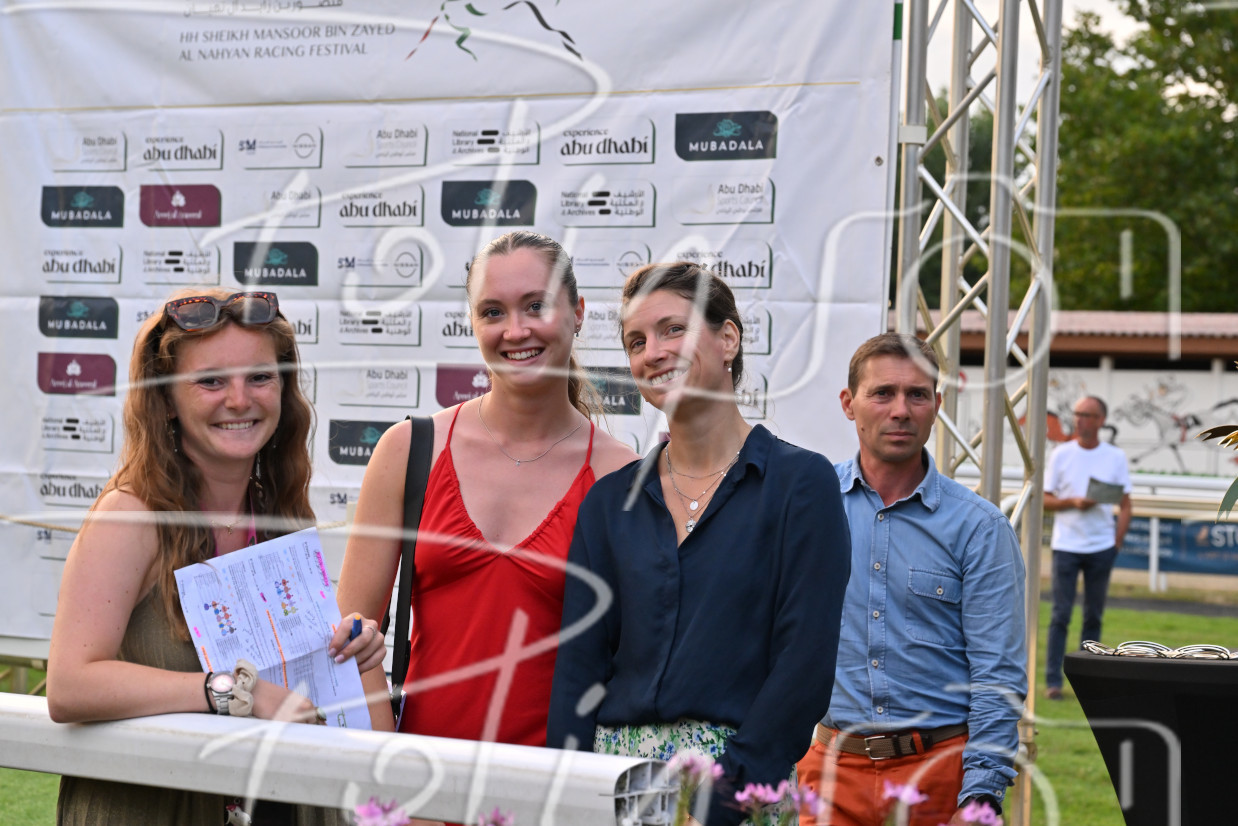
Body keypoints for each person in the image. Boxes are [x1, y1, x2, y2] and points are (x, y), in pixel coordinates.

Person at [47, 288, 384, 826]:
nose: (239, 400)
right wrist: (232, 691)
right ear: (166, 400)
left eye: (260, 377)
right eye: (210, 381)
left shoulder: (279, 513)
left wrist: (346, 650)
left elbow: (297, 693)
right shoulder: (131, 516)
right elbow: (70, 686)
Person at [547, 262, 851, 826]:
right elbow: (577, 672)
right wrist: (569, 795)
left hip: (742, 785)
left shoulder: (799, 484)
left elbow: (803, 667)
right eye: (637, 341)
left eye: (673, 329)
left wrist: (721, 800)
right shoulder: (609, 502)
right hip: (612, 784)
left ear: (727, 338)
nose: (654, 352)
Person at [333, 230, 636, 747]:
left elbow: (632, 667)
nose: (516, 330)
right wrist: (391, 770)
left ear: (578, 312)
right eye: (493, 311)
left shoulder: (620, 476)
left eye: (536, 305)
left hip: (557, 782)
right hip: (416, 779)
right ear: (472, 323)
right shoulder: (409, 451)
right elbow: (347, 644)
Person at [796, 333, 1026, 826]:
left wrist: (980, 796)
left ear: (937, 406)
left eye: (917, 395)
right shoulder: (808, 508)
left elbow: (998, 677)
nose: (900, 410)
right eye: (883, 393)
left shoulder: (980, 529)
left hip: (941, 777)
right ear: (848, 403)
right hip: (829, 773)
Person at [1043, 395, 1132, 700]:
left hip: (1101, 547)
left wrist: (1116, 542)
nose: (1080, 419)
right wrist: (1073, 502)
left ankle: (1088, 682)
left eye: (1088, 415)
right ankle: (1053, 682)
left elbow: (1126, 503)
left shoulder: (1114, 456)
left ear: (1101, 420)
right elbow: (1045, 499)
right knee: (1060, 615)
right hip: (1066, 545)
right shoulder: (1061, 454)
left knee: (1093, 616)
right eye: (1078, 413)